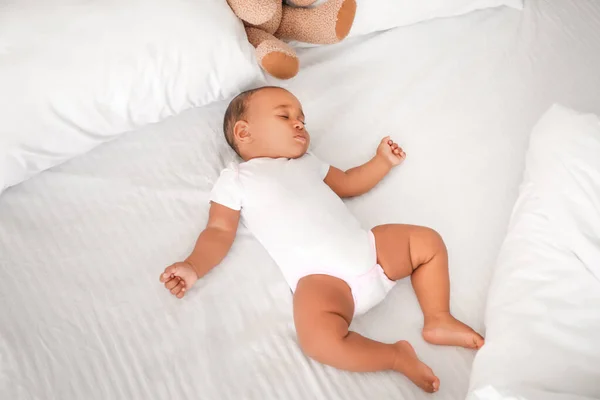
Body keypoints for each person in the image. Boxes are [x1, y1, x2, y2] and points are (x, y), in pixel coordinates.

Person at [159, 86, 484, 393]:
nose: (299, 121)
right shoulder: (237, 179)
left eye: (301, 117)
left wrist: (381, 162)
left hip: (369, 251)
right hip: (323, 285)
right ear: (244, 133)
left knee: (427, 242)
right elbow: (218, 231)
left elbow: (348, 183)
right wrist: (192, 266)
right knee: (319, 342)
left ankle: (438, 318)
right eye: (284, 116)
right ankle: (396, 356)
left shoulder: (307, 162)